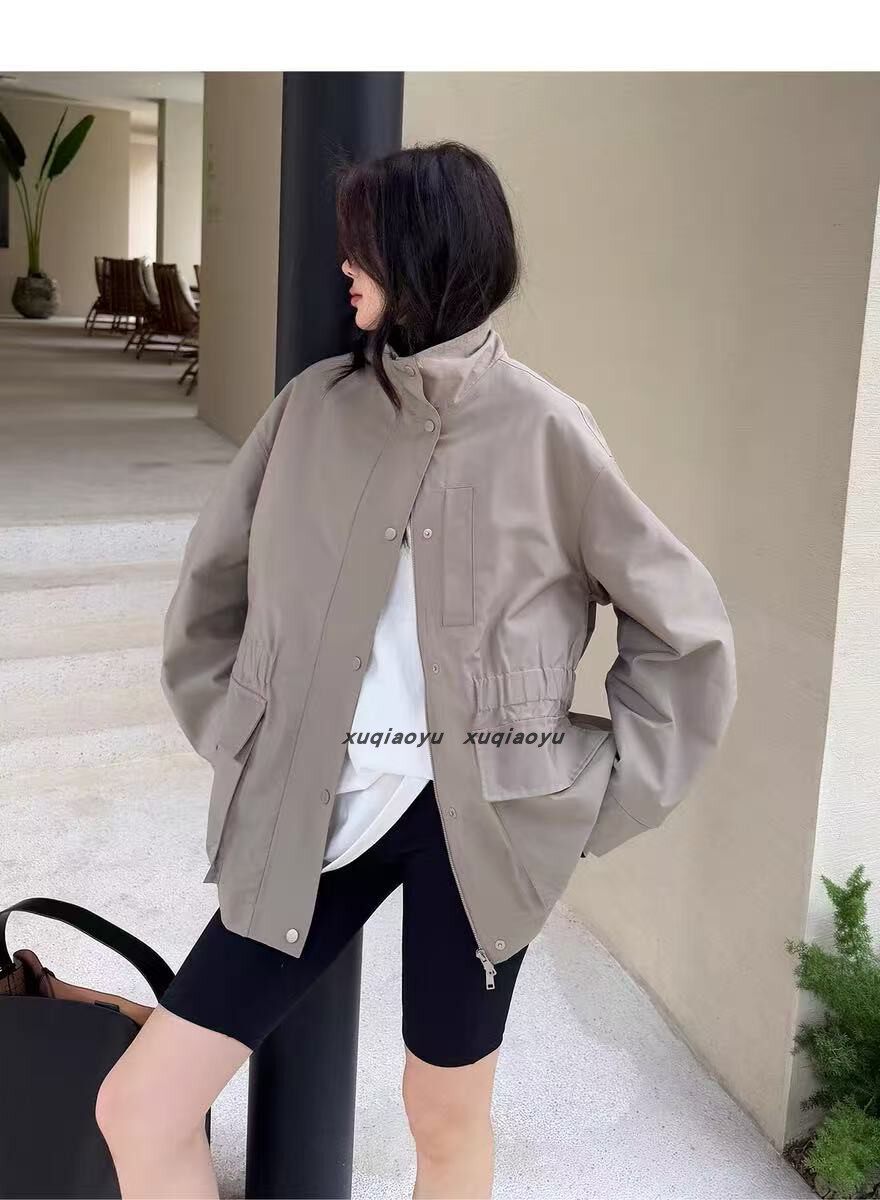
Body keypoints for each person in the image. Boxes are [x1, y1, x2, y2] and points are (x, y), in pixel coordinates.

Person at [95, 140, 737, 1200]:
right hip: (318, 802)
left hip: (477, 821)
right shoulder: (311, 410)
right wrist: (245, 740)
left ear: (426, 254)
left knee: (443, 1119)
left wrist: (595, 798)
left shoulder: (546, 431)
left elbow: (685, 632)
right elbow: (211, 595)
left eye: (363, 245)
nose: (343, 266)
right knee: (142, 1106)